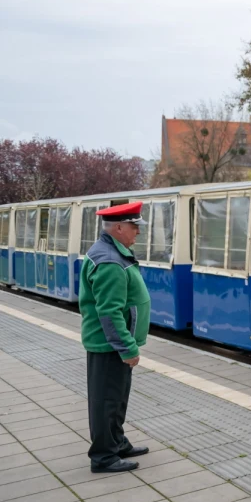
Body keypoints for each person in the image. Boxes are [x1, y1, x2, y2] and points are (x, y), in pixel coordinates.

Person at [79, 202, 151, 473]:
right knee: (107, 402)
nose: (138, 232)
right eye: (135, 227)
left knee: (116, 398)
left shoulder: (113, 252)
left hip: (111, 345)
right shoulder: (110, 261)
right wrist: (127, 348)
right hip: (109, 345)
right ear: (119, 227)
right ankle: (104, 457)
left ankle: (117, 443)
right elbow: (109, 312)